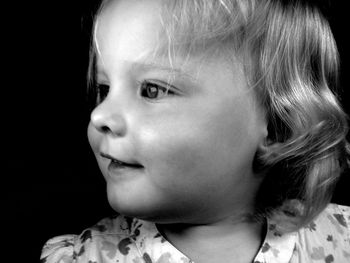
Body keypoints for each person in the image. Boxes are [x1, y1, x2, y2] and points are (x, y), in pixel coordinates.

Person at [41, 0, 350, 262]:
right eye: (104, 88)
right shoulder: (85, 257)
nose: (100, 115)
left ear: (280, 125)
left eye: (152, 90)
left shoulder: (340, 238)